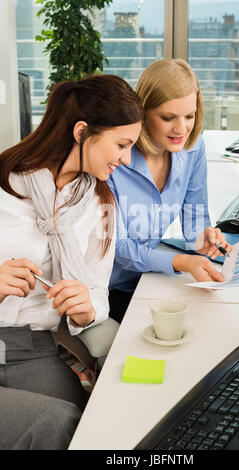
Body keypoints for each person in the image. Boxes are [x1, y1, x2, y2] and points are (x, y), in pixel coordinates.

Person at [0, 74, 143, 449]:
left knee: (84, 430)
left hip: (34, 349)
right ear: (82, 132)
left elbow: (98, 293)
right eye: (122, 145)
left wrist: (86, 308)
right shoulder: (4, 184)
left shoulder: (100, 205)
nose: (127, 159)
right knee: (56, 423)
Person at [108, 59, 232, 323]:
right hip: (112, 289)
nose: (181, 129)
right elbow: (118, 248)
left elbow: (195, 214)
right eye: (167, 117)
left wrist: (205, 238)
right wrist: (181, 262)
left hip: (155, 280)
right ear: (142, 112)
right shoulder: (115, 160)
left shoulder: (193, 147)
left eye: (189, 116)